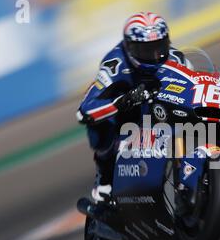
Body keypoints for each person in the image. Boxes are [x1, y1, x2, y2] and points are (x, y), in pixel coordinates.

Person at [76, 12, 188, 203]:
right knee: (99, 125)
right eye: (145, 50)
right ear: (129, 47)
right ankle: (104, 177)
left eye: (158, 47)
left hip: (163, 113)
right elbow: (84, 112)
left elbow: (193, 89)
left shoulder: (177, 59)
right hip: (127, 119)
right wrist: (123, 101)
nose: (154, 56)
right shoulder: (115, 64)